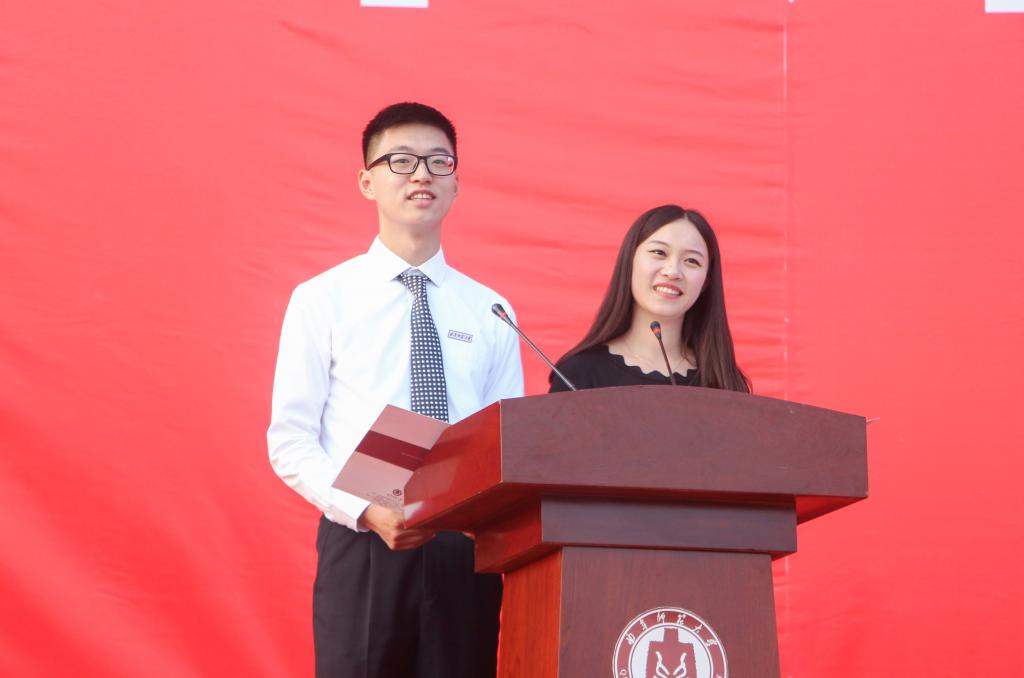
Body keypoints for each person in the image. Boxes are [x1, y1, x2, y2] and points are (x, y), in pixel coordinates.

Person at [268, 102, 524, 678]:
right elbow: (290, 440)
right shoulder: (323, 298)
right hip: (362, 539)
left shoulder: (490, 310)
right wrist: (365, 510)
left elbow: (505, 441)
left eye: (438, 161)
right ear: (367, 181)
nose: (421, 174)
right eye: (401, 161)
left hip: (463, 548)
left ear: (456, 183)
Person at [550, 204, 748, 393]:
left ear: (706, 281)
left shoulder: (725, 381)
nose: (673, 271)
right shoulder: (579, 374)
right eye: (659, 253)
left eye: (691, 261)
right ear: (630, 261)